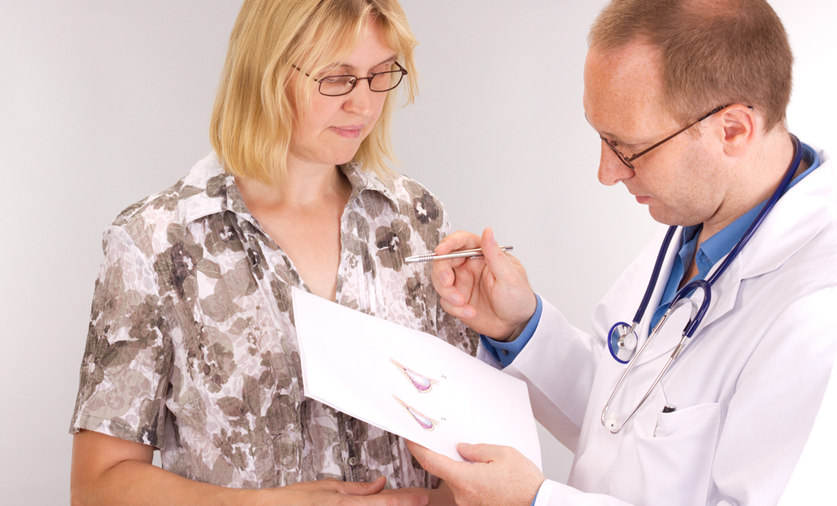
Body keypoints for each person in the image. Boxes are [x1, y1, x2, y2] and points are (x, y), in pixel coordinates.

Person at [406, 0, 837, 505]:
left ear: (733, 130)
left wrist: (536, 501)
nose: (606, 172)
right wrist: (521, 327)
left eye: (627, 148)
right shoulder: (699, 225)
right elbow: (626, 415)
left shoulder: (816, 310)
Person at [69, 1, 475, 504]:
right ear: (265, 73)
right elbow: (96, 485)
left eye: (380, 74)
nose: (365, 104)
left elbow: (471, 451)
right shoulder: (156, 242)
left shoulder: (416, 219)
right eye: (337, 78)